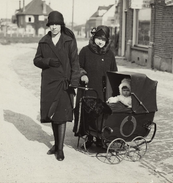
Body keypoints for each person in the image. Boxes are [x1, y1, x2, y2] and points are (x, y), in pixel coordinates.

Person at [33, 11, 80, 161]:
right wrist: (46, 62)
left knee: (61, 115)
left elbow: (75, 63)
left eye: (56, 24)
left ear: (61, 25)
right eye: (51, 24)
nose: (54, 27)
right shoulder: (44, 41)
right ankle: (56, 145)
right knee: (52, 115)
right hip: (49, 83)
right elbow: (36, 60)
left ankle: (59, 149)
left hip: (64, 83)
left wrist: (74, 82)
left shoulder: (68, 41)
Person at [73, 25, 118, 148]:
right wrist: (82, 74)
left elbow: (114, 71)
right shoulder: (85, 51)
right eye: (98, 38)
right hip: (89, 88)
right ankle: (89, 137)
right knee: (88, 112)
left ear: (107, 41)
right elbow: (77, 66)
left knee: (102, 114)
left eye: (103, 40)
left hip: (104, 91)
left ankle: (100, 138)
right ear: (94, 38)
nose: (100, 42)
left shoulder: (110, 54)